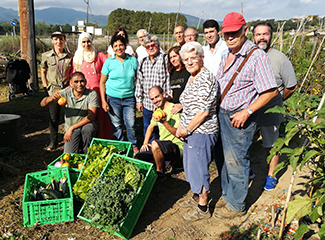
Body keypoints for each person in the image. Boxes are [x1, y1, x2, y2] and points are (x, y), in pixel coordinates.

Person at [213, 12, 278, 219]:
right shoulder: (226, 54)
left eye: (234, 33)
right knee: (222, 158)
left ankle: (237, 205)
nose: (230, 37)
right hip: (222, 113)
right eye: (226, 34)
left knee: (236, 161)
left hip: (239, 117)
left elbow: (270, 91)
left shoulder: (256, 56)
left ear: (245, 31)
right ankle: (227, 194)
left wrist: (247, 111)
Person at [175, 42, 219, 222]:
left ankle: (203, 206)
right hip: (191, 132)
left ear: (201, 58)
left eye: (193, 58)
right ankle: (196, 196)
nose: (189, 62)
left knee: (199, 169)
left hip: (201, 131)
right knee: (191, 167)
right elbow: (191, 102)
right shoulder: (192, 76)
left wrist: (186, 128)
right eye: (186, 59)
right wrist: (181, 106)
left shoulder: (205, 78)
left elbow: (203, 111)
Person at [253, 22, 298, 191]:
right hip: (250, 109)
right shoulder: (250, 56)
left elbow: (291, 86)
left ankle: (271, 175)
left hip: (270, 110)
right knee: (245, 142)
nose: (262, 38)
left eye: (265, 34)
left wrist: (278, 100)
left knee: (271, 145)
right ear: (253, 36)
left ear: (271, 36)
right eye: (258, 34)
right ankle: (248, 171)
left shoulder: (280, 58)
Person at [40, 72, 99, 154]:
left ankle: (87, 152)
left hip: (85, 125)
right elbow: (43, 104)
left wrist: (71, 128)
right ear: (71, 83)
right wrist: (52, 97)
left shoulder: (91, 94)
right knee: (68, 155)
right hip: (71, 129)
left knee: (88, 129)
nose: (79, 84)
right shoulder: (66, 93)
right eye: (76, 82)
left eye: (82, 81)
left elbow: (91, 116)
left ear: (85, 82)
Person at [100, 35, 139, 153]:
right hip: (113, 98)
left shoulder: (132, 60)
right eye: (115, 46)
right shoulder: (109, 62)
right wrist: (103, 100)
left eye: (121, 45)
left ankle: (133, 145)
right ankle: (120, 146)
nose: (118, 48)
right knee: (117, 125)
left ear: (125, 46)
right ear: (112, 48)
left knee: (131, 124)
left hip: (129, 98)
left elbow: (139, 78)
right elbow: (102, 82)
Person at [72, 32, 113, 140]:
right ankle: (85, 140)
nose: (86, 44)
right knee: (86, 117)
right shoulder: (77, 58)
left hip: (98, 92)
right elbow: (74, 74)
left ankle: (103, 138)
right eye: (84, 42)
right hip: (83, 92)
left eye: (88, 41)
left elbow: (110, 65)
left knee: (100, 115)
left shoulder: (99, 55)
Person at [135, 86, 183, 177]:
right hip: (163, 145)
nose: (155, 101)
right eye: (152, 99)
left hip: (176, 146)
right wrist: (145, 143)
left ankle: (160, 173)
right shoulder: (157, 111)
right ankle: (164, 163)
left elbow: (179, 134)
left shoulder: (174, 109)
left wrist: (164, 122)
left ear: (164, 94)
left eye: (157, 97)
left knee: (155, 144)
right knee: (139, 156)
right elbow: (150, 127)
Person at [41, 31, 73, 151]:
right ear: (52, 41)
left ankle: (69, 140)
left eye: (61, 39)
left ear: (64, 41)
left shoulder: (70, 57)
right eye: (56, 39)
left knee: (69, 115)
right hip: (53, 89)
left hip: (67, 88)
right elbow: (43, 71)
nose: (58, 42)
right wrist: (45, 87)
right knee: (54, 116)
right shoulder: (46, 56)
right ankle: (53, 141)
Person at [135, 35, 171, 141]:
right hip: (147, 104)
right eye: (148, 46)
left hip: (162, 103)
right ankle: (150, 151)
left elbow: (168, 81)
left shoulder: (165, 60)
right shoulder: (143, 62)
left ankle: (163, 152)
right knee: (148, 129)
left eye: (153, 45)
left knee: (164, 129)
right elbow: (139, 83)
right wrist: (138, 101)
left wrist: (168, 98)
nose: (150, 48)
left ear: (158, 46)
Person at [167, 46, 190, 114]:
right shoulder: (172, 72)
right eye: (171, 58)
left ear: (180, 56)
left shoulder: (188, 71)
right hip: (175, 108)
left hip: (186, 108)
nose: (173, 60)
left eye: (175, 56)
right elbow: (174, 90)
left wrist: (182, 105)